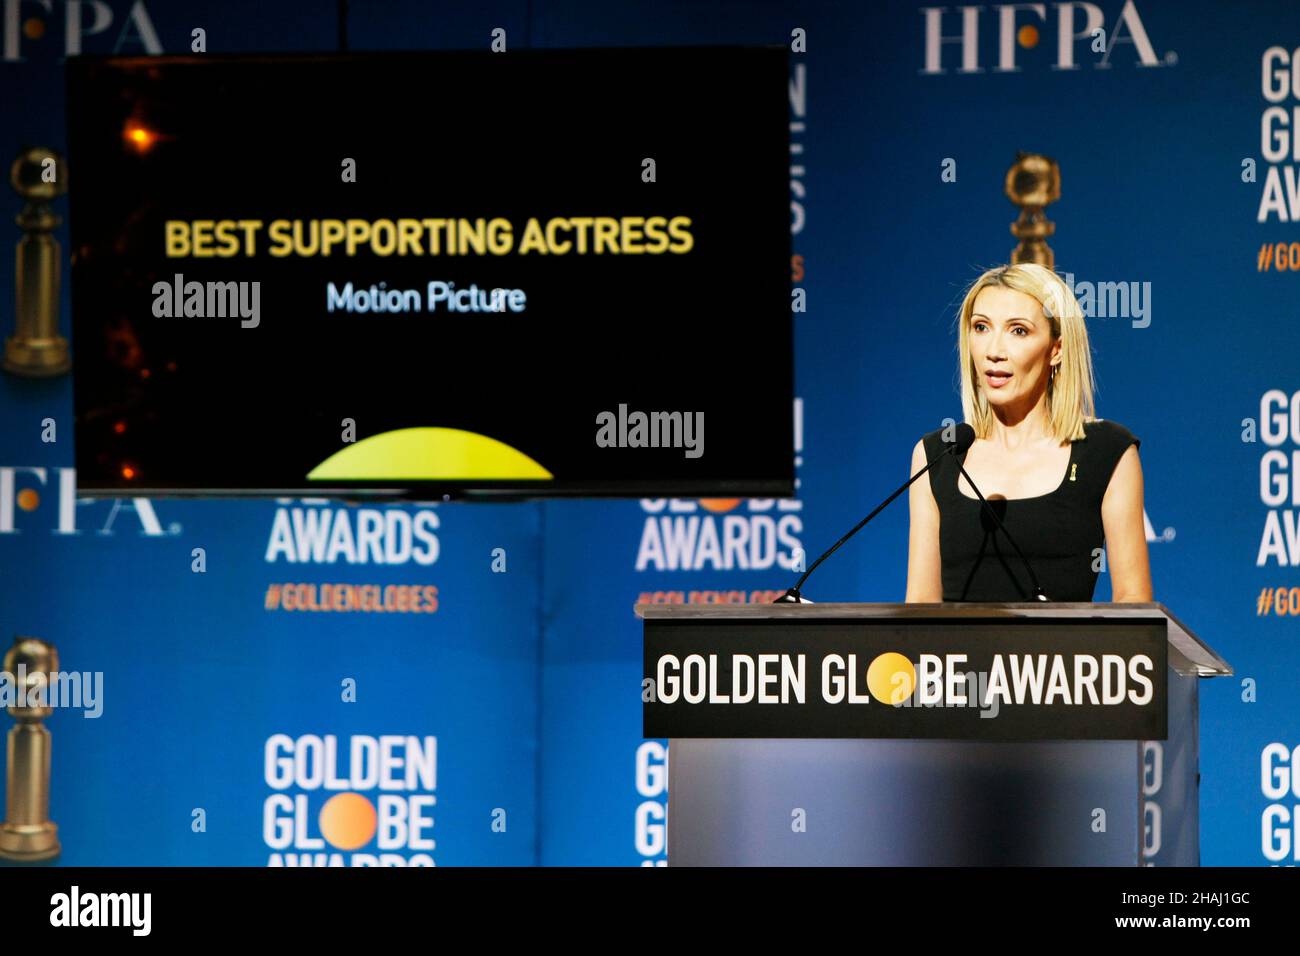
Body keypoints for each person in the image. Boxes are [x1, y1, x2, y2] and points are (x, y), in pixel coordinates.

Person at [905, 263, 1152, 603]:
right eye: (981, 327)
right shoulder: (940, 455)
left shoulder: (1106, 452)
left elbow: (1133, 607)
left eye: (1018, 331)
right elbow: (920, 607)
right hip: (959, 658)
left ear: (1056, 349)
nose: (994, 350)